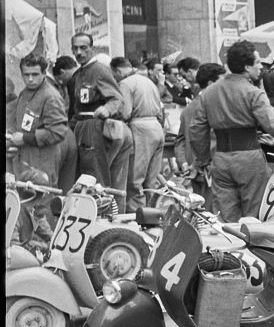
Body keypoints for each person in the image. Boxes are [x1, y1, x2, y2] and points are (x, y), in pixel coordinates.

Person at [190, 40, 274, 220]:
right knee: (253, 218)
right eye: (257, 62)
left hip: (221, 159)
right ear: (247, 67)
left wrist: (203, 160)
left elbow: (196, 129)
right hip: (249, 159)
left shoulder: (209, 93)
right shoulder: (253, 93)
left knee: (226, 218)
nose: (261, 67)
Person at [67, 32, 132, 195]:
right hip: (80, 127)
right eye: (75, 48)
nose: (79, 52)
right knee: (84, 178)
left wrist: (107, 109)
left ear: (92, 48)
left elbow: (117, 99)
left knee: (94, 178)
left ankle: (103, 209)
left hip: (94, 128)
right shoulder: (79, 74)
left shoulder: (99, 70)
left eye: (83, 48)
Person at [8, 54, 76, 194]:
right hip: (24, 156)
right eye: (26, 75)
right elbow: (19, 122)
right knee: (25, 198)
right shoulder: (24, 93)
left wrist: (25, 138)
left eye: (35, 74)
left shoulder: (51, 96)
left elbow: (58, 131)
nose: (30, 79)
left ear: (44, 73)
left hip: (44, 157)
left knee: (42, 199)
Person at [111, 56, 166, 211]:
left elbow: (126, 112)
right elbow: (161, 111)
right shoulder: (148, 82)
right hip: (156, 128)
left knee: (135, 180)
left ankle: (138, 215)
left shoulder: (125, 83)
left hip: (140, 129)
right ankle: (153, 213)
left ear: (118, 71)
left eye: (114, 75)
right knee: (151, 180)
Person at [176, 62, 225, 207]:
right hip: (211, 168)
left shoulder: (188, 109)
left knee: (200, 211)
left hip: (194, 170)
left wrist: (184, 163)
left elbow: (180, 141)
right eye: (222, 82)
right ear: (211, 84)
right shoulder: (215, 106)